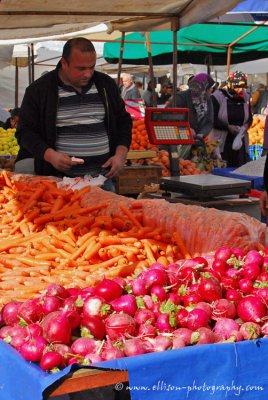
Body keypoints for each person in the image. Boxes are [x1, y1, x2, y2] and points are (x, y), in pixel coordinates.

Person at [15, 38, 132, 191]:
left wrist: (120, 155)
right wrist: (51, 156)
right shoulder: (40, 90)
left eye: (92, 67)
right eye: (81, 68)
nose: (88, 74)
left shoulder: (105, 84)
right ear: (64, 63)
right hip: (58, 184)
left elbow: (124, 121)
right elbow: (24, 132)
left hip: (102, 181)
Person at [210, 71, 253, 168]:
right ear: (230, 84)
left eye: (242, 87)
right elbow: (211, 119)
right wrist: (228, 127)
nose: (240, 90)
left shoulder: (245, 97)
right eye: (237, 87)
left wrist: (245, 127)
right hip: (222, 144)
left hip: (240, 143)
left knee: (240, 170)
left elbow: (250, 118)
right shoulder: (217, 97)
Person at [168, 72, 215, 139]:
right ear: (202, 88)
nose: (211, 90)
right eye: (209, 87)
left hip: (197, 140)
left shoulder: (208, 100)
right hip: (177, 140)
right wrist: (185, 129)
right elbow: (168, 118)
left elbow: (209, 122)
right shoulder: (180, 98)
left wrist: (201, 134)